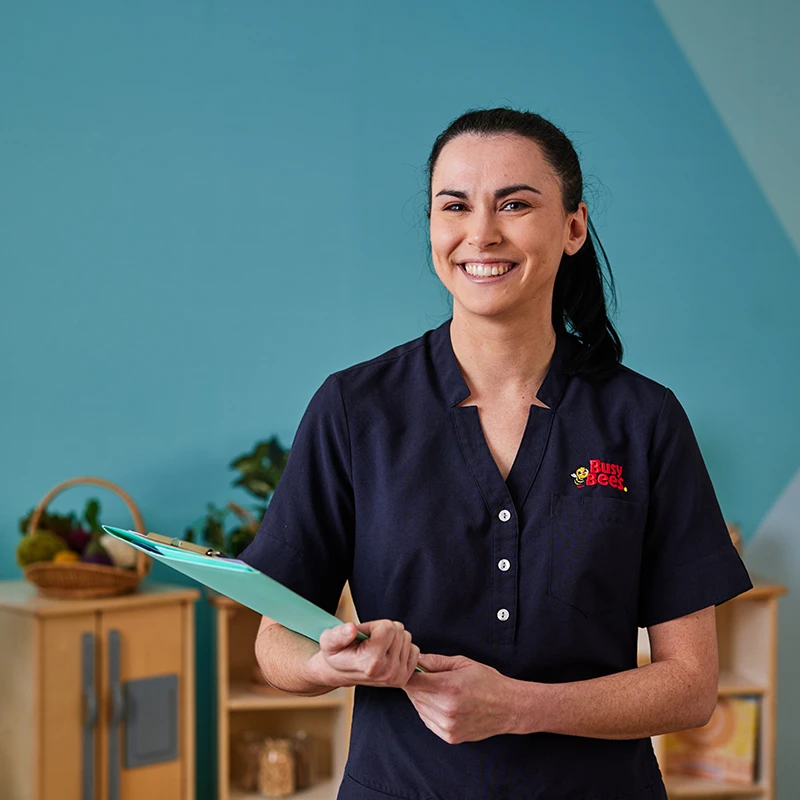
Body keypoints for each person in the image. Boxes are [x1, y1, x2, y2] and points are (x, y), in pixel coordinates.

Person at [239, 107, 753, 799]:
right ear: (431, 226)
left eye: (515, 204)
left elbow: (690, 688)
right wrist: (334, 662)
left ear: (573, 227)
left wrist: (519, 706)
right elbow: (275, 645)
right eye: (455, 205)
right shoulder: (354, 409)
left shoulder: (645, 420)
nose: (481, 233)